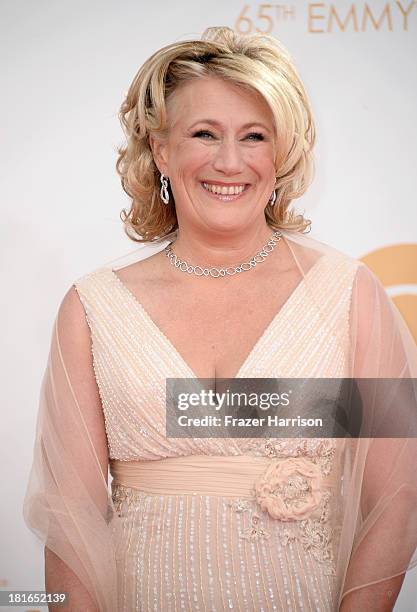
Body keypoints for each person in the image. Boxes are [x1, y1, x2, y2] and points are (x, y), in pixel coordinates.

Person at [23, 26, 417, 612]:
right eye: (203, 133)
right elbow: (70, 519)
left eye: (254, 136)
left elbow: (398, 496)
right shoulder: (93, 306)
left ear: (280, 154)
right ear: (160, 149)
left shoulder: (348, 294)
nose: (229, 161)